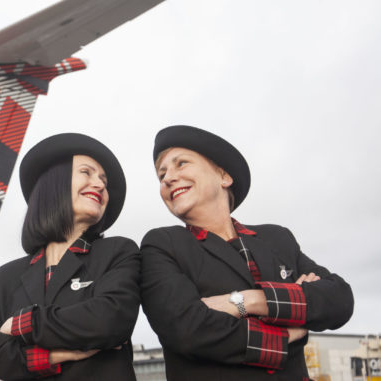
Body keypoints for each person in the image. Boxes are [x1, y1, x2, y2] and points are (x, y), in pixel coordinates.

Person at [140, 125, 354, 381]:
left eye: (181, 164)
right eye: (161, 174)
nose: (167, 178)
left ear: (224, 176)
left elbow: (339, 299)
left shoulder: (277, 238)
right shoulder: (162, 245)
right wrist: (288, 330)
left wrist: (245, 301)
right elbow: (187, 329)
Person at [0, 133, 140, 380]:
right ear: (54, 183)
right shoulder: (6, 278)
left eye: (104, 181)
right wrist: (47, 358)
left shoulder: (118, 252)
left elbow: (110, 320)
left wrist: (21, 324)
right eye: (87, 173)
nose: (99, 185)